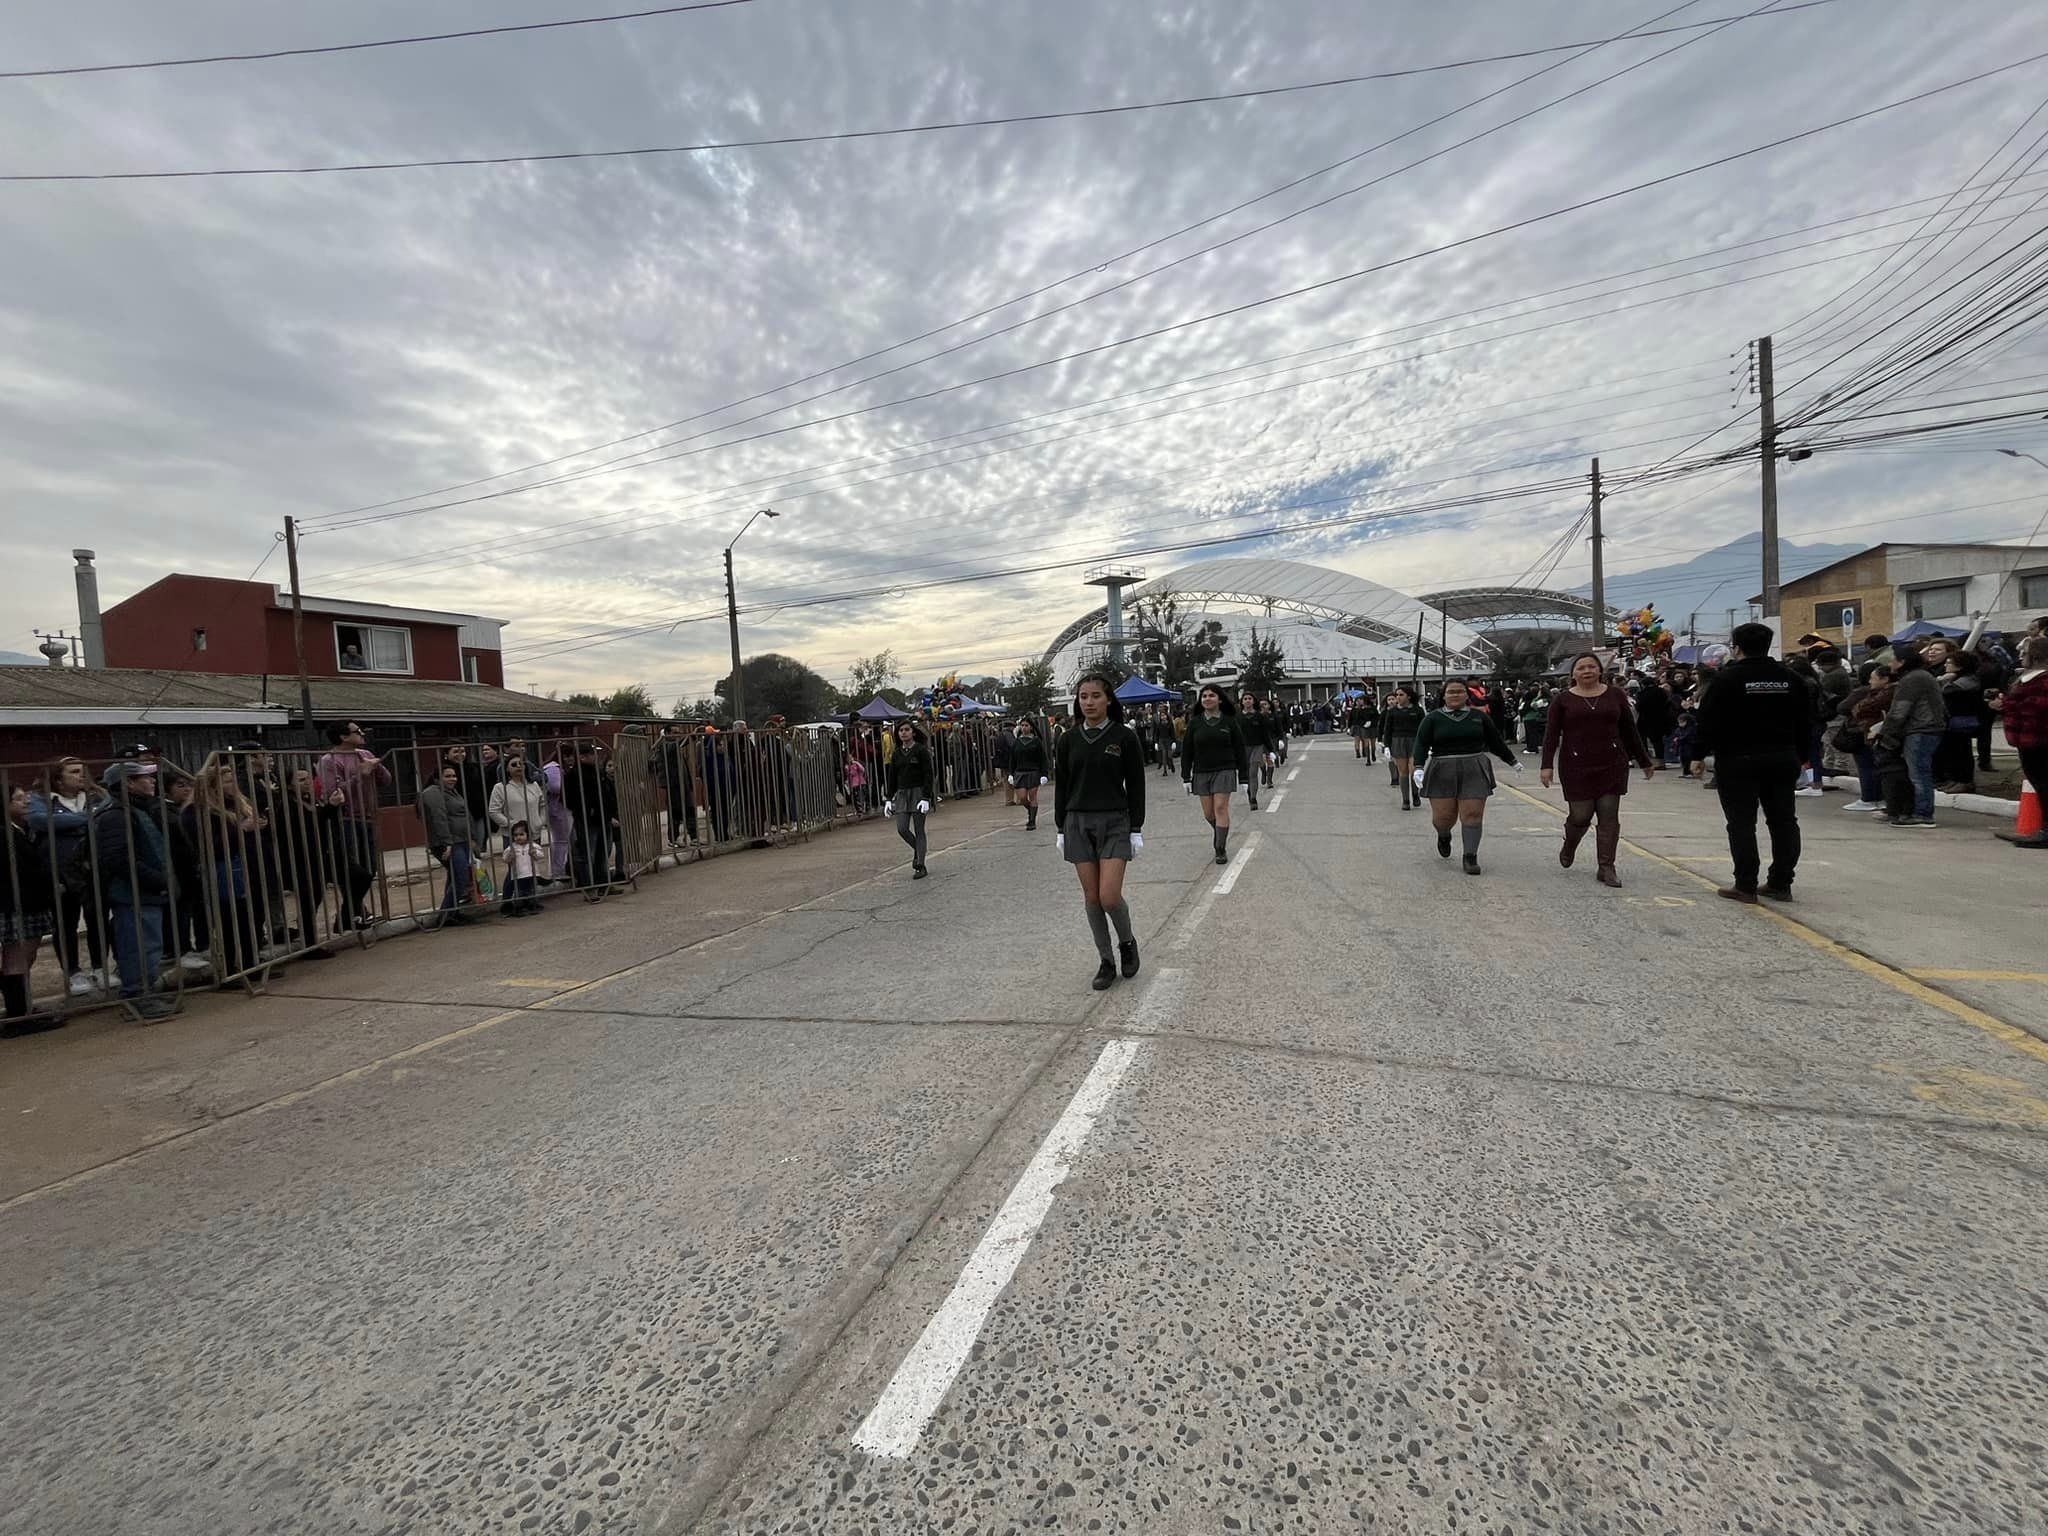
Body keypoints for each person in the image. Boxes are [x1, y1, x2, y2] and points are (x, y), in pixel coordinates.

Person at [1694, 622, 1808, 901]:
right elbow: (1806, 721)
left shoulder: (1726, 679)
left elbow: (1708, 720)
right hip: (1783, 758)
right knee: (1783, 821)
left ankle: (1745, 884)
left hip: (1737, 760)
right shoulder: (1791, 678)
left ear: (1737, 647)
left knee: (1741, 824)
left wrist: (1697, 754)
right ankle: (1781, 883)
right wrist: (1802, 756)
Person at [1053, 672, 1146, 990]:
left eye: (1095, 696)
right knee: (1092, 898)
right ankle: (1106, 961)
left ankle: (1127, 943)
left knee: (1109, 896)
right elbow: (1063, 785)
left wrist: (1136, 828)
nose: (1089, 702)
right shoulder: (1068, 739)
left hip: (1115, 822)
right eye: (1083, 696)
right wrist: (1060, 828)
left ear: (1108, 700)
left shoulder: (1124, 737)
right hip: (1077, 822)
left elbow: (1136, 785)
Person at [1540, 653, 1656, 888]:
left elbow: (1628, 729)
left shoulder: (1615, 695)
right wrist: (1546, 765)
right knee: (1581, 815)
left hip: (1612, 762)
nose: (1587, 671)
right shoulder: (1562, 700)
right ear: (1573, 674)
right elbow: (1551, 734)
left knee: (1608, 814)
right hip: (1575, 763)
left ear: (1600, 670)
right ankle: (1570, 843)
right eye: (1581, 668)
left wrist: (1644, 760)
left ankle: (1606, 866)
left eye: (1591, 666)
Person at [93, 761, 180, 1021]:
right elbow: (119, 858)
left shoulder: (135, 809)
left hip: (145, 891)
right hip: (132, 894)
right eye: (144, 777)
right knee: (138, 946)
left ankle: (145, 991)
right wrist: (157, 879)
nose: (152, 781)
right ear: (128, 783)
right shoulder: (115, 814)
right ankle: (137, 996)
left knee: (150, 945)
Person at [1412, 678, 1519, 875]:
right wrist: (1418, 767)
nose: (1455, 695)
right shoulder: (1432, 719)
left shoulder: (1478, 717)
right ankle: (1444, 835)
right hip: (1441, 768)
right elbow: (1421, 744)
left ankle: (1470, 856)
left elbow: (1495, 741)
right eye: (1451, 692)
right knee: (1443, 818)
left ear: (1467, 695)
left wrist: (1512, 760)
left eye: (1459, 691)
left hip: (1474, 766)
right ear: (1443, 695)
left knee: (1472, 815)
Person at [26, 757, 109, 998]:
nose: (81, 776)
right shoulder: (42, 800)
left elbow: (104, 819)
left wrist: (66, 825)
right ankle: (73, 972)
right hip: (59, 871)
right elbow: (42, 822)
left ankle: (100, 966)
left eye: (83, 771)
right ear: (57, 778)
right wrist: (87, 820)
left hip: (92, 868)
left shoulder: (97, 796)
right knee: (66, 923)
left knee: (98, 919)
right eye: (73, 772)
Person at [315, 721, 389, 925]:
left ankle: (349, 914)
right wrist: (360, 774)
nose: (362, 734)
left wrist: (377, 766)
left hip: (368, 817)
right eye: (357, 731)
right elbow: (333, 795)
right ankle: (352, 914)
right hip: (347, 819)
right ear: (343, 737)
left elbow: (386, 780)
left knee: (370, 868)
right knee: (357, 871)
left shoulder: (364, 754)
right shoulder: (329, 761)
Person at [2, 785, 60, 1035]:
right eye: (17, 798)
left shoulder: (18, 830)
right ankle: (18, 1016)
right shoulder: (6, 834)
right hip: (18, 905)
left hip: (26, 904)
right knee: (18, 959)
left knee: (24, 958)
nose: (25, 801)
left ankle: (22, 1009)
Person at [1872, 645, 1945, 829]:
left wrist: (1885, 732)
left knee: (1919, 773)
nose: (1890, 663)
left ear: (1902, 662)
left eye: (1893, 659)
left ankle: (1923, 814)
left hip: (1921, 729)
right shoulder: (1920, 676)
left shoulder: (1913, 679)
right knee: (1919, 772)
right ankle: (1915, 811)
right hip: (1926, 728)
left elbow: (1900, 710)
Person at [1181, 684, 1249, 865]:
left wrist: (1244, 778)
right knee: (1209, 814)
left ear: (1219, 699)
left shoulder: (1229, 722)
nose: (1207, 698)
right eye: (1204, 696)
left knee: (1220, 808)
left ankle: (1220, 848)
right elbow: (1187, 750)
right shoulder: (1195, 723)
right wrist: (1185, 777)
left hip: (1225, 770)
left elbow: (1240, 750)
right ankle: (1220, 831)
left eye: (1211, 695)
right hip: (1201, 772)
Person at [1992, 636, 2048, 848]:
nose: (2020, 657)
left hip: (2039, 740)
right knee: (2040, 783)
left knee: (2044, 783)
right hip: (2028, 740)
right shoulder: (2028, 678)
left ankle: (2046, 830)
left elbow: (2036, 707)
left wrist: (2008, 704)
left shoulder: (2042, 680)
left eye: (2024, 653)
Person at [418, 764, 478, 926]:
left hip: (461, 840)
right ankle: (445, 916)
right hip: (449, 842)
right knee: (461, 878)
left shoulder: (452, 792)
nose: (453, 779)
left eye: (454, 776)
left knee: (455, 877)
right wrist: (447, 843)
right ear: (437, 778)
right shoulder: (432, 793)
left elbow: (465, 815)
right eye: (448, 776)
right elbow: (439, 818)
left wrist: (472, 837)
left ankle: (453, 913)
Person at [884, 721, 938, 877]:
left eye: (907, 730)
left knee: (919, 829)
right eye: (900, 730)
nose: (903, 733)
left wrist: (926, 797)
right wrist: (888, 798)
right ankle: (918, 849)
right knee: (902, 829)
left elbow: (928, 774)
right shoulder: (897, 753)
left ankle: (920, 864)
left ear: (913, 732)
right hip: (902, 794)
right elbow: (892, 777)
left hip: (918, 793)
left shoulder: (921, 751)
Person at [1934, 651, 1985, 794]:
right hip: (1952, 721)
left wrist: (1943, 680)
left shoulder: (1967, 681)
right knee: (1953, 753)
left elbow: (1946, 692)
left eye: (1949, 663)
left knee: (1961, 753)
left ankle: (1964, 781)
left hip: (1962, 721)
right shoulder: (1959, 679)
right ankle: (1955, 780)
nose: (1945, 665)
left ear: (1960, 665)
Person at [1381, 687, 1425, 808]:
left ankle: (1415, 794)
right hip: (1398, 741)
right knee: (1403, 772)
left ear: (1409, 696)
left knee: (1413, 770)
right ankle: (1405, 800)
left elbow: (1424, 729)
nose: (1398, 697)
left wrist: (1427, 744)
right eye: (1397, 695)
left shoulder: (1418, 710)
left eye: (1401, 695)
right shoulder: (1392, 711)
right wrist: (1386, 746)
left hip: (1414, 741)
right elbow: (1388, 729)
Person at [1008, 718, 1051, 831]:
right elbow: (1012, 759)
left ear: (1031, 727)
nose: (1024, 727)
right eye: (1022, 725)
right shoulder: (1017, 742)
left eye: (1026, 725)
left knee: (1033, 797)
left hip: (1033, 772)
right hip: (1020, 772)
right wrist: (1011, 774)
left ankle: (1032, 821)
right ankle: (1031, 811)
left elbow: (1043, 759)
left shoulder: (1036, 741)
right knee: (1022, 798)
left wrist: (1044, 774)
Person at [502, 821, 546, 915]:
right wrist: (509, 856)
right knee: (519, 892)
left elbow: (541, 855)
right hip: (518, 875)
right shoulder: (511, 848)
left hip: (531, 874)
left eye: (521, 834)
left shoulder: (533, 845)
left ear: (528, 835)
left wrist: (535, 853)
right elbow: (505, 859)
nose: (518, 837)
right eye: (516, 835)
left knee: (531, 891)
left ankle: (532, 905)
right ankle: (519, 908)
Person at [1237, 692, 1270, 807]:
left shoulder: (1259, 716)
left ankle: (1253, 798)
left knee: (1253, 772)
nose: (1247, 700)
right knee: (1245, 773)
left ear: (1253, 701)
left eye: (1250, 698)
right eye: (1245, 699)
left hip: (1257, 746)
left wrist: (1270, 750)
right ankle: (1249, 791)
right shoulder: (1237, 717)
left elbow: (1265, 734)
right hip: (1242, 748)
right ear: (1242, 702)